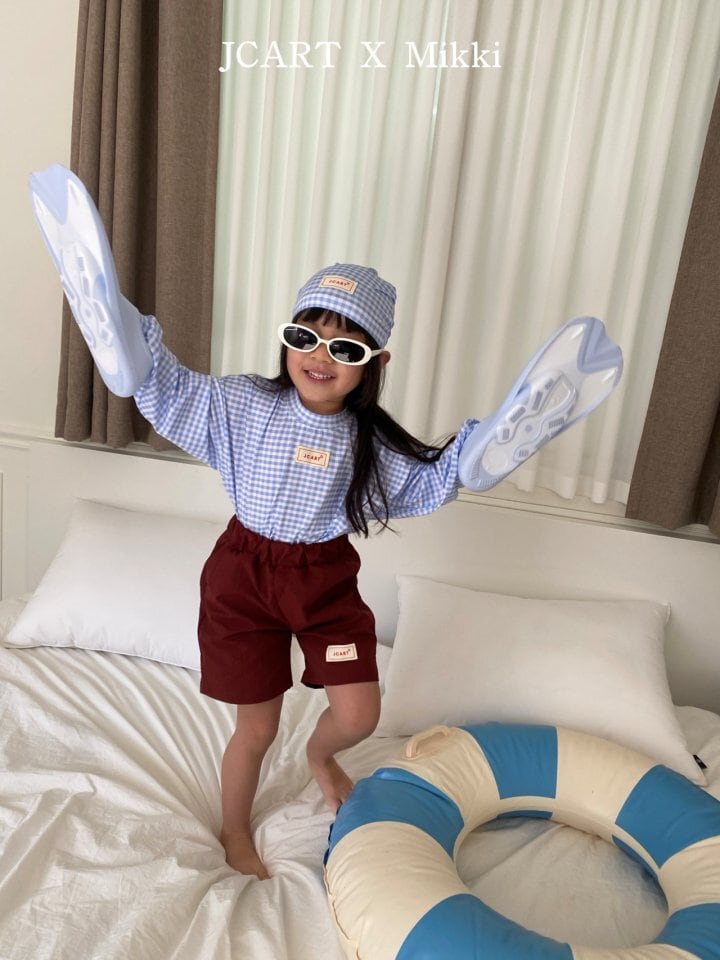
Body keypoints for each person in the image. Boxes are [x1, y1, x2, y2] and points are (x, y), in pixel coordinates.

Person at [28, 164, 623, 880]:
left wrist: (469, 464)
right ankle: (234, 832)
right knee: (256, 728)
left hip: (323, 583)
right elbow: (180, 398)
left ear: (374, 363)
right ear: (285, 339)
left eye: (345, 349)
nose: (320, 358)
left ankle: (319, 754)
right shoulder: (244, 404)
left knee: (361, 714)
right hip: (244, 576)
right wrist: (144, 370)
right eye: (305, 336)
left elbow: (425, 484)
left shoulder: (370, 443)